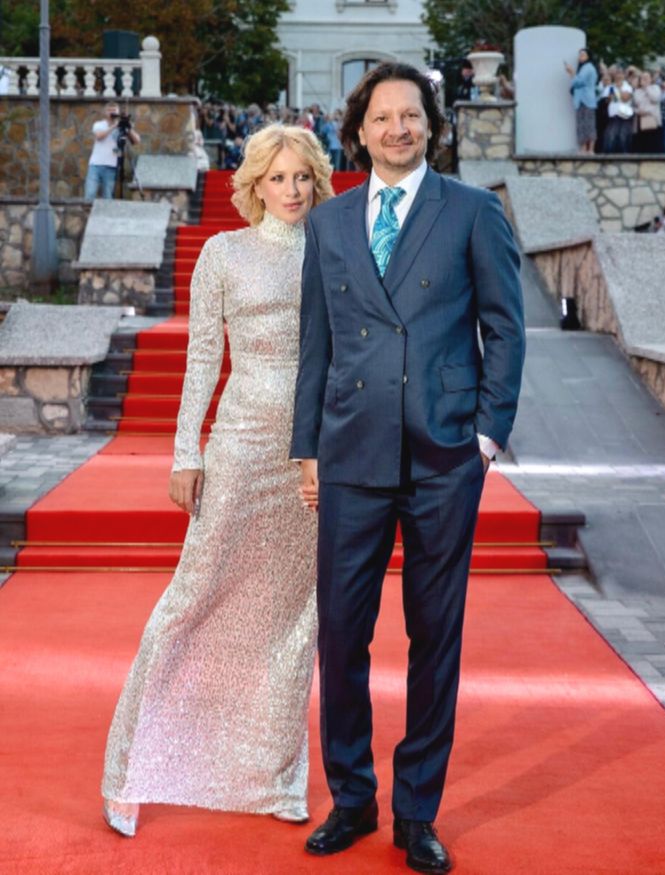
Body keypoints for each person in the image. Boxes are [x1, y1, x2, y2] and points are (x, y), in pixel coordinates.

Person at [291, 63, 525, 874]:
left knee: (435, 635)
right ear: (358, 132)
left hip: (443, 454)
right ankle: (352, 796)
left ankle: (417, 810)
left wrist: (486, 437)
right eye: (383, 117)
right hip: (351, 451)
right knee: (341, 632)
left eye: (412, 116)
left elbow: (505, 327)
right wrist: (306, 446)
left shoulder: (472, 211)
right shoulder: (329, 221)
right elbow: (316, 344)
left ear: (431, 125)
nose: (399, 128)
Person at [101, 124, 334, 837]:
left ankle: (277, 780)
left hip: (315, 453)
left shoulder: (334, 253)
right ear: (255, 184)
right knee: (191, 596)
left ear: (317, 181)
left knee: (296, 616)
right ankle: (126, 774)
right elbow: (202, 357)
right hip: (239, 443)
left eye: (302, 177)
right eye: (278, 177)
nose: (291, 190)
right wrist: (186, 453)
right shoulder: (223, 253)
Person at [84, 101, 140, 201]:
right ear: (105, 112)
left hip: (111, 167)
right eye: (109, 110)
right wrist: (114, 126)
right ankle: (88, 211)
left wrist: (128, 127)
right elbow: (99, 136)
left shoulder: (121, 127)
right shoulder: (99, 124)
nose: (111, 112)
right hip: (95, 165)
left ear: (118, 112)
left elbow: (136, 141)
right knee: (90, 194)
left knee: (108, 196)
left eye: (114, 110)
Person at [565, 48, 598, 154]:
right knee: (582, 124)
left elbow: (579, 82)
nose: (580, 57)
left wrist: (572, 73)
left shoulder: (588, 67)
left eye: (583, 55)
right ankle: (584, 148)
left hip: (586, 100)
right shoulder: (584, 68)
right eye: (580, 55)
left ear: (588, 56)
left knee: (588, 124)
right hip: (581, 100)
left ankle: (590, 149)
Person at [603, 68, 634, 154]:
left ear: (624, 75)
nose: (619, 76)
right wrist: (618, 94)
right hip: (613, 116)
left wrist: (618, 89)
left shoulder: (628, 86)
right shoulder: (610, 87)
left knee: (623, 136)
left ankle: (625, 156)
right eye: (617, 74)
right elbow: (608, 100)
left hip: (625, 116)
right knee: (611, 136)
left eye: (621, 74)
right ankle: (610, 156)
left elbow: (625, 98)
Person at [633, 70, 663, 153]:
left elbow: (655, 99)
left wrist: (647, 87)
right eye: (642, 78)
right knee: (642, 145)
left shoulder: (656, 88)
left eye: (646, 77)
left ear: (651, 79)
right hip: (641, 120)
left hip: (653, 121)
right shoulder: (637, 91)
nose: (644, 79)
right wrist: (638, 111)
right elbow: (635, 105)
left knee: (653, 146)